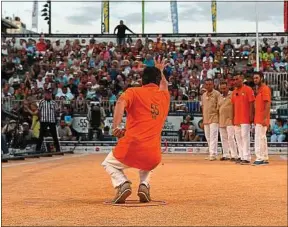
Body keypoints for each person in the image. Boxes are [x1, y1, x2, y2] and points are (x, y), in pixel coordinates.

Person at [102, 59, 170, 204]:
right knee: (147, 165)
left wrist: (115, 126)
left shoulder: (133, 91)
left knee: (109, 163)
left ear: (142, 80)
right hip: (153, 154)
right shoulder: (164, 97)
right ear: (157, 80)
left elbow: (120, 102)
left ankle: (122, 183)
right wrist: (160, 71)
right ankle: (144, 185)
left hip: (131, 147)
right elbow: (165, 85)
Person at [231, 72, 255, 165]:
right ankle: (241, 156)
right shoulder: (234, 92)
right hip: (237, 118)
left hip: (245, 118)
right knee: (238, 138)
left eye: (237, 79)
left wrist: (251, 115)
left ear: (242, 79)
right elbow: (233, 106)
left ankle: (247, 157)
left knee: (245, 138)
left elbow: (252, 103)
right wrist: (233, 117)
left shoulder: (248, 89)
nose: (235, 81)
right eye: (234, 80)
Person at [253, 72, 271, 166]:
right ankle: (264, 157)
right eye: (254, 78)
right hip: (259, 118)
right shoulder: (259, 89)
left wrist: (264, 118)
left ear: (261, 78)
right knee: (262, 138)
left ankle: (259, 158)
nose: (255, 80)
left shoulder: (265, 89)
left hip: (262, 118)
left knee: (259, 138)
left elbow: (267, 104)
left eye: (257, 78)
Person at [201, 78, 221, 161]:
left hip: (214, 118)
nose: (208, 86)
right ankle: (212, 153)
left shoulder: (217, 94)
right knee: (208, 137)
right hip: (206, 118)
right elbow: (203, 107)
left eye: (210, 84)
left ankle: (212, 154)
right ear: (205, 85)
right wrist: (203, 118)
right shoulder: (203, 95)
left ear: (213, 85)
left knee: (213, 136)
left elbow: (219, 106)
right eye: (207, 84)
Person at [218, 81, 238, 161]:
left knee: (231, 137)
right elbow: (218, 107)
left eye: (224, 88)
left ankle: (234, 155)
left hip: (230, 119)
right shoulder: (219, 96)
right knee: (223, 138)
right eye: (222, 88)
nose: (223, 90)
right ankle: (226, 154)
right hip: (221, 119)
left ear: (228, 87)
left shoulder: (233, 94)